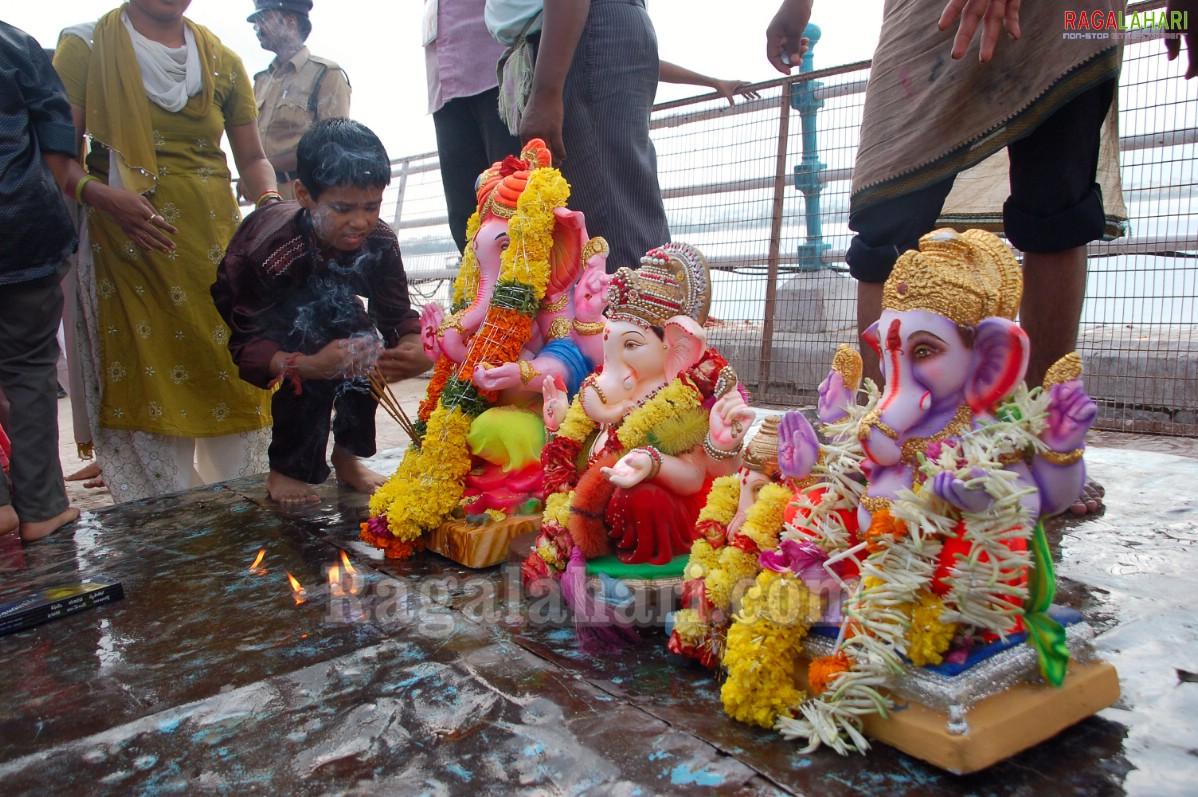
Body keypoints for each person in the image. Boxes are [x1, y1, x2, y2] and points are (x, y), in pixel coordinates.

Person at [54, 0, 279, 504]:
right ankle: (161, 525)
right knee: (148, 383)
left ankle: (243, 521)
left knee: (235, 377)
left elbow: (254, 159)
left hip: (217, 250)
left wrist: (271, 208)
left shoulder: (221, 58)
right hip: (127, 253)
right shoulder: (85, 47)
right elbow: (60, 164)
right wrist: (104, 196)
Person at [212, 119, 432, 504]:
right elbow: (248, 344)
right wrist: (309, 364)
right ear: (304, 195)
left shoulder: (379, 240)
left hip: (331, 298)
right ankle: (287, 469)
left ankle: (348, 458)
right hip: (264, 302)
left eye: (372, 206)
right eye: (343, 208)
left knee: (365, 348)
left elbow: (396, 312)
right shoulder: (272, 251)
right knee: (310, 359)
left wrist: (415, 347)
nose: (360, 221)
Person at [0, 21, 81, 542]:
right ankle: (42, 508)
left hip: (22, 229)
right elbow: (57, 133)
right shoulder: (14, 44)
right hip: (20, 229)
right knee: (30, 370)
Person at [425, 0, 522, 254]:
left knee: (515, 203)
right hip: (444, 81)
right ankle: (479, 290)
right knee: (464, 216)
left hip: (498, 67)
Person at [249, 0, 351, 201]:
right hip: (264, 196)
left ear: (291, 22)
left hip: (304, 198)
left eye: (263, 18)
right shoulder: (261, 81)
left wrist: (260, 167)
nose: (257, 28)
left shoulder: (326, 74)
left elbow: (331, 148)